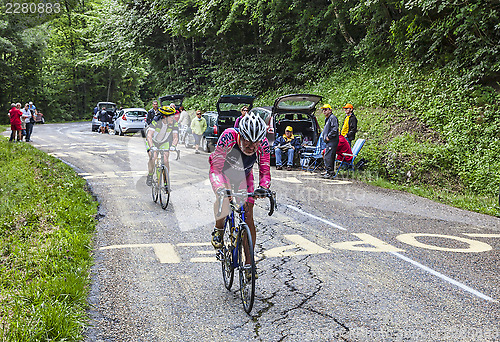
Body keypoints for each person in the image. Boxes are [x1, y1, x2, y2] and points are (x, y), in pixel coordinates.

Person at [209, 112, 271, 268]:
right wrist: (220, 189)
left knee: (249, 217)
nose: (251, 148)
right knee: (224, 199)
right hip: (224, 173)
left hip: (244, 176)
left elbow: (265, 171)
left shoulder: (263, 143)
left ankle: (250, 264)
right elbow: (215, 169)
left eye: (254, 145)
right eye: (247, 144)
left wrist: (264, 187)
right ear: (241, 136)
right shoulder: (228, 136)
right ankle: (219, 229)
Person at [145, 106, 179, 186]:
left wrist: (173, 146)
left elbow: (175, 137)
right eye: (171, 116)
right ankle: (150, 175)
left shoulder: (174, 123)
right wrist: (152, 147)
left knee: (166, 161)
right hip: (153, 141)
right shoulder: (156, 121)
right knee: (153, 157)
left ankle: (166, 181)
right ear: (164, 117)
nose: (172, 118)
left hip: (164, 142)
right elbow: (149, 135)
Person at [320, 104, 339, 179]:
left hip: (332, 140)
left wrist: (329, 137)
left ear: (330, 110)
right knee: (329, 155)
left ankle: (329, 172)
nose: (324, 111)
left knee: (328, 156)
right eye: (323, 110)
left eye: (325, 109)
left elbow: (335, 129)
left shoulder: (333, 118)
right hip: (329, 141)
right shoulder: (327, 118)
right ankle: (329, 171)